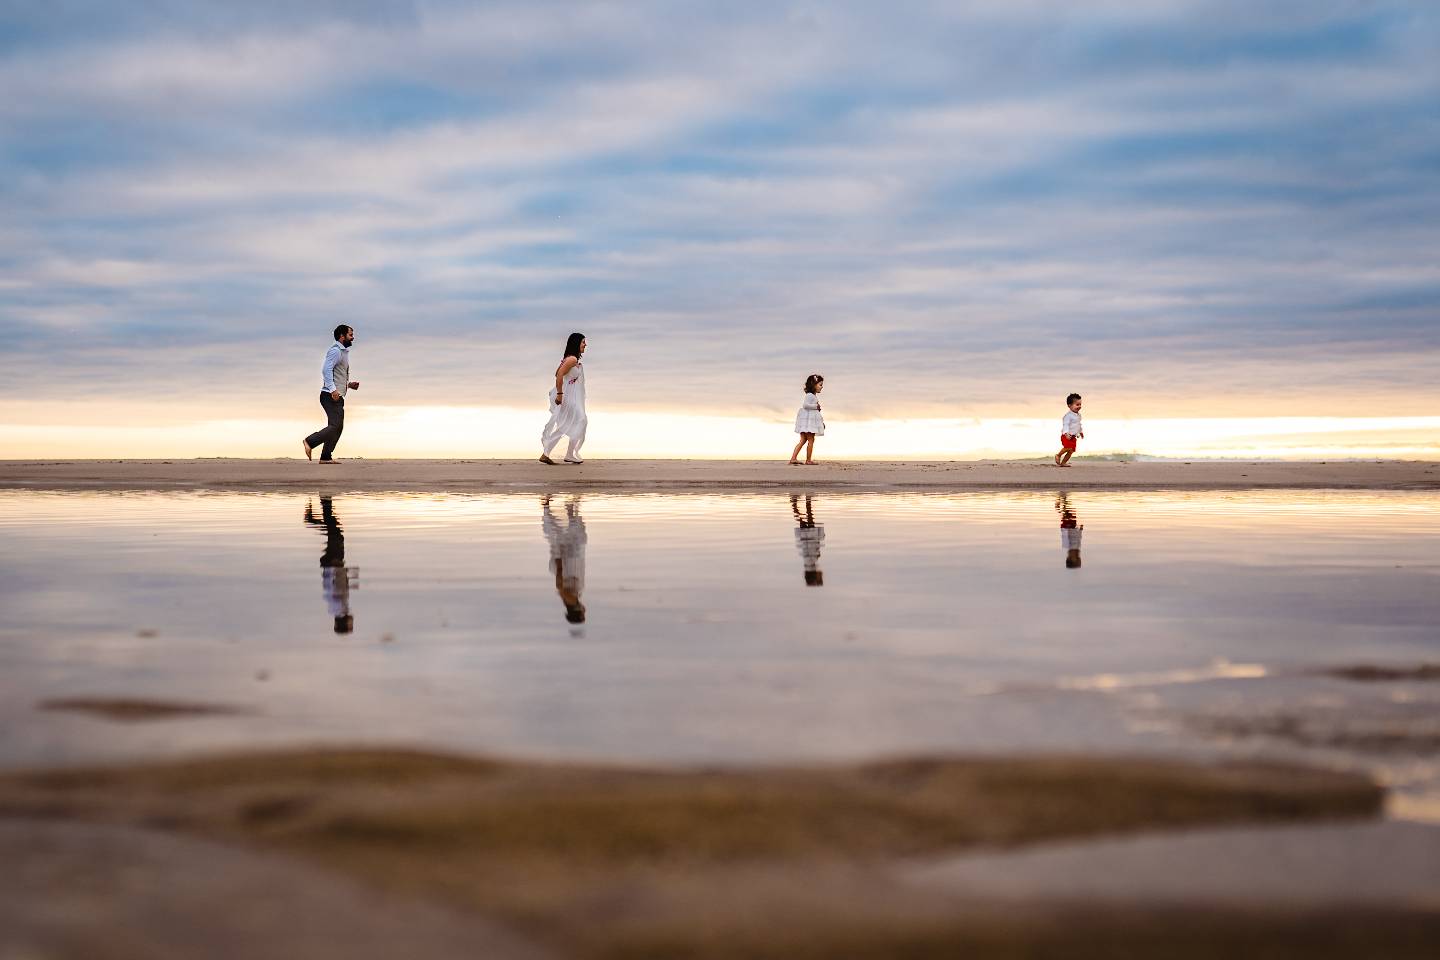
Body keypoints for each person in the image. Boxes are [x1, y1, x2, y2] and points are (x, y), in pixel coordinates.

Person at [302, 325, 360, 464]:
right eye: (350, 334)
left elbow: (336, 374)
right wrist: (333, 390)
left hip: (336, 394)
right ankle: (310, 441)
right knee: (335, 426)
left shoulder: (343, 352)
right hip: (329, 395)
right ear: (342, 336)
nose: (353, 337)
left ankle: (326, 456)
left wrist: (348, 385)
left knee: (337, 427)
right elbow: (326, 370)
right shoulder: (335, 351)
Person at [304, 497, 358, 633]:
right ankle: (323, 506)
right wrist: (349, 577)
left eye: (350, 626)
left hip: (333, 563)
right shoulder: (338, 608)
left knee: (336, 533)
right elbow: (337, 587)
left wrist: (333, 569)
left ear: (344, 623)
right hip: (332, 565)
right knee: (335, 532)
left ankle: (324, 504)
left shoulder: (338, 606)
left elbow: (332, 586)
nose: (353, 623)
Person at [540, 333, 588, 465]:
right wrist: (560, 394)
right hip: (566, 396)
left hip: (569, 396)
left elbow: (558, 372)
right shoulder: (571, 359)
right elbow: (559, 375)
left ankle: (554, 453)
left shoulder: (570, 359)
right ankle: (567, 454)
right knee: (580, 420)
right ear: (576, 343)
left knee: (572, 422)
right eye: (583, 342)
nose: (585, 345)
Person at [542, 495, 587, 626]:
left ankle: (552, 505)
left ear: (578, 612)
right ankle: (568, 507)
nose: (585, 610)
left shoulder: (570, 599)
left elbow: (560, 586)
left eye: (583, 614)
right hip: (569, 564)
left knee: (561, 536)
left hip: (567, 565)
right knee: (572, 535)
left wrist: (559, 563)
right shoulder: (572, 599)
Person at [789, 374, 825, 465]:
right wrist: (816, 406)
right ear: (813, 385)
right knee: (811, 440)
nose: (822, 387)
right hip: (808, 423)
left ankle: (793, 458)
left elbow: (815, 413)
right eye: (820, 385)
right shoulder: (810, 395)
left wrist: (821, 421)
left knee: (803, 440)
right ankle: (808, 460)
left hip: (806, 422)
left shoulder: (812, 396)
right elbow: (805, 405)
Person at [791, 493, 826, 586]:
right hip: (806, 536)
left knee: (808, 515)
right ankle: (798, 502)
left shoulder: (810, 562)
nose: (821, 575)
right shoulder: (810, 563)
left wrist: (819, 538)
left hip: (810, 535)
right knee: (805, 517)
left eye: (820, 577)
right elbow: (809, 550)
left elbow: (812, 548)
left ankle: (798, 501)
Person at [1054, 392, 1083, 467]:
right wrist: (1066, 433)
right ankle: (1058, 455)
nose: (1079, 406)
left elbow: (1078, 425)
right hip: (1066, 435)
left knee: (1071, 451)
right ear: (1069, 405)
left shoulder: (1079, 415)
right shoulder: (1068, 416)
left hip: (1073, 436)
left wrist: (1080, 431)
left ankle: (1063, 463)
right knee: (1068, 447)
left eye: (1080, 404)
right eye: (1077, 404)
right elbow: (1065, 425)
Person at [1056, 492, 1083, 569]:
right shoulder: (1077, 547)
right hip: (1073, 527)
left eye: (1077, 560)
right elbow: (1078, 538)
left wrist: (1066, 527)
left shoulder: (1067, 546)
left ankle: (1062, 500)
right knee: (1068, 511)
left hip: (1068, 526)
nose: (1079, 558)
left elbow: (1064, 535)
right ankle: (1063, 500)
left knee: (1065, 512)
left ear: (1069, 557)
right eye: (1079, 560)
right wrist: (1080, 530)